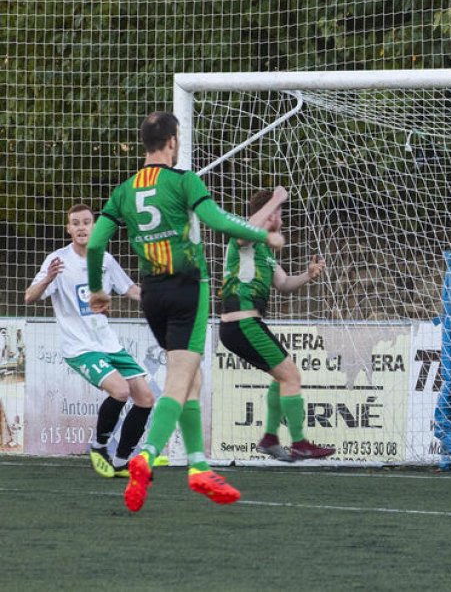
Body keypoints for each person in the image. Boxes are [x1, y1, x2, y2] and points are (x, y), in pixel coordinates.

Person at [87, 111, 284, 512]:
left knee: (189, 380)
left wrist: (97, 289)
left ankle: (198, 466)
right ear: (173, 141)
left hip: (153, 295)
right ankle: (145, 456)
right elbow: (214, 220)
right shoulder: (183, 180)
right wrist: (262, 234)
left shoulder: (124, 191)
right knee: (179, 382)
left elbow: (94, 245)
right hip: (188, 290)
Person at [25, 204, 155, 478]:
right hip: (80, 348)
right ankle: (98, 447)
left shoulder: (104, 260)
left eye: (87, 222)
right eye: (76, 223)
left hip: (108, 343)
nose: (82, 227)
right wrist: (48, 278)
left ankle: (121, 461)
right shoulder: (57, 261)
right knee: (120, 391)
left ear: (94, 227)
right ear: (69, 228)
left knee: (145, 398)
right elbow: (29, 297)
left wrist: (160, 299)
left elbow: (129, 288)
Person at [218, 188, 333, 461]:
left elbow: (283, 285)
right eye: (280, 213)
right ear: (271, 214)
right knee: (291, 376)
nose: (282, 217)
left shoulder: (266, 252)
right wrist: (276, 199)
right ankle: (300, 443)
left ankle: (270, 438)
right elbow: (245, 232)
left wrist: (307, 275)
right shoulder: (244, 238)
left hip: (246, 324)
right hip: (241, 324)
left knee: (282, 377)